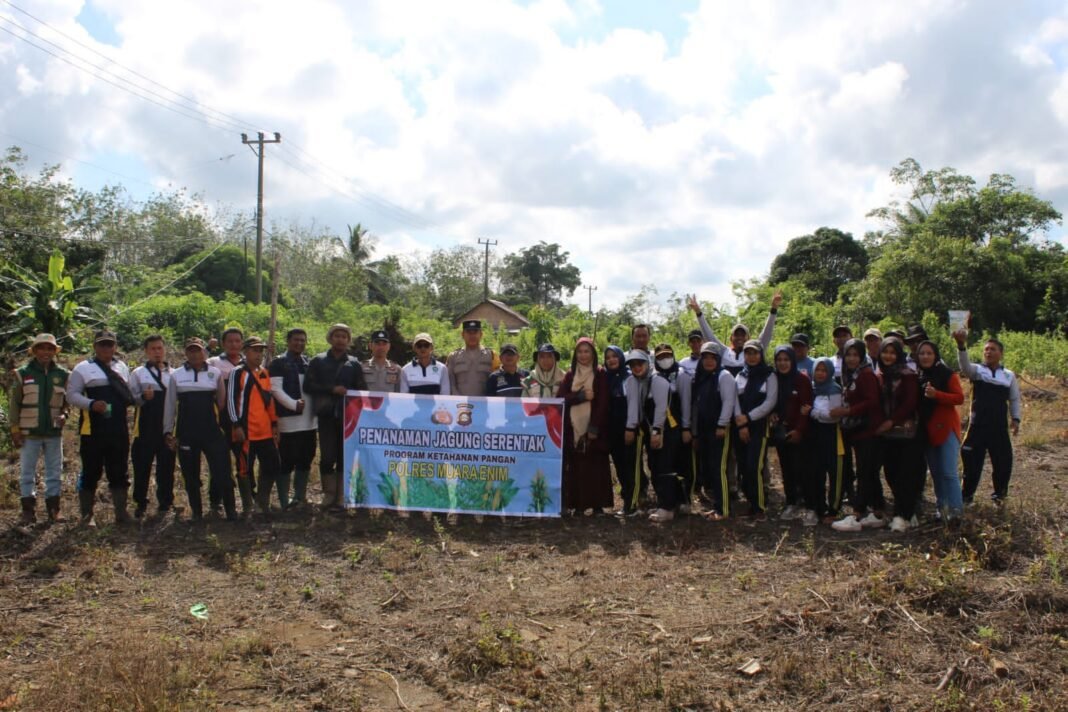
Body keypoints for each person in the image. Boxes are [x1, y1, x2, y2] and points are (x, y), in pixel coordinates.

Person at [66, 329, 135, 527]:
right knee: (91, 470)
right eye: (102, 344)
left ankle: (121, 513)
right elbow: (71, 395)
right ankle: (87, 515)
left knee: (119, 469)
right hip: (92, 429)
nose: (106, 348)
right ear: (95, 347)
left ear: (115, 347)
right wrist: (91, 404)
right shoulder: (83, 368)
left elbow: (127, 393)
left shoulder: (121, 366)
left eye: (110, 344)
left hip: (118, 427)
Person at [163, 338, 236, 521]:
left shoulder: (215, 373)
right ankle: (197, 513)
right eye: (191, 351)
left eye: (198, 350)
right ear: (186, 353)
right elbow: (170, 405)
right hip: (186, 432)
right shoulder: (176, 375)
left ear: (205, 352)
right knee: (190, 474)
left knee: (222, 471)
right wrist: (168, 431)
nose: (195, 354)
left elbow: (221, 402)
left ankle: (230, 510)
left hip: (212, 431)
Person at [953, 329, 1021, 504]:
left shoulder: (1008, 375)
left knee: (1003, 464)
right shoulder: (977, 370)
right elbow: (964, 367)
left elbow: (1014, 398)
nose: (988, 352)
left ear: (1001, 353)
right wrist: (961, 345)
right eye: (986, 349)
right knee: (972, 465)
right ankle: (966, 497)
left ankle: (1000, 497)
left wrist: (1016, 418)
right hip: (977, 427)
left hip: (999, 428)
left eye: (993, 349)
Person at [9, 333, 69, 525]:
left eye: (50, 348)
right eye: (42, 348)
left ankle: (54, 509)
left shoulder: (62, 375)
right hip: (29, 432)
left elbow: (66, 404)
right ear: (34, 351)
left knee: (54, 471)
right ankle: (28, 511)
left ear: (54, 352)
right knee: (27, 472)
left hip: (53, 432)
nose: (46, 352)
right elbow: (14, 404)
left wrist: (65, 415)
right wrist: (15, 430)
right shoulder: (23, 373)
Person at [830, 339, 886, 532]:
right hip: (857, 428)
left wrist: (847, 412)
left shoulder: (865, 374)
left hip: (868, 429)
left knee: (865, 470)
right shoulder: (850, 374)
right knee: (868, 471)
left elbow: (872, 401)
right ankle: (878, 511)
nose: (852, 358)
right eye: (849, 354)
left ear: (862, 356)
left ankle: (857, 513)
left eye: (856, 355)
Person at [679, 342, 736, 520]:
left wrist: (722, 424)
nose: (709, 361)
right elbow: (696, 406)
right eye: (706, 357)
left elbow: (729, 402)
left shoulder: (724, 376)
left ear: (719, 359)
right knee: (710, 469)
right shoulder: (701, 377)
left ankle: (723, 510)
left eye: (713, 358)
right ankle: (717, 505)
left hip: (718, 428)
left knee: (719, 469)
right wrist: (695, 431)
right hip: (704, 429)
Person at [305, 324, 359, 509]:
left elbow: (363, 391)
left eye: (344, 336)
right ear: (330, 338)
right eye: (337, 335)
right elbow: (308, 386)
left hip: (348, 419)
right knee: (327, 456)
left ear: (348, 340)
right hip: (326, 415)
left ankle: (342, 496)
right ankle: (328, 494)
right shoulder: (318, 361)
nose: (340, 339)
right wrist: (331, 389)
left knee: (345, 456)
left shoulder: (354, 364)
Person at [874, 337, 924, 532]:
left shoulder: (907, 375)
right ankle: (905, 511)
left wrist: (891, 421)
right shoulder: (879, 374)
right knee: (890, 472)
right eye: (885, 352)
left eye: (893, 352)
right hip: (886, 434)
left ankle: (903, 514)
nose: (888, 356)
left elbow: (910, 403)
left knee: (906, 474)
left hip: (905, 432)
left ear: (899, 355)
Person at [624, 350, 681, 522]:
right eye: (632, 365)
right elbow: (634, 407)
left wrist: (657, 432)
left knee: (664, 466)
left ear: (647, 364)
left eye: (639, 364)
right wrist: (630, 428)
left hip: (665, 430)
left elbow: (661, 408)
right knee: (654, 465)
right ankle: (663, 502)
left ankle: (668, 507)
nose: (636, 367)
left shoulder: (658, 381)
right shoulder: (634, 381)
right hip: (649, 430)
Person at [557, 337, 612, 514]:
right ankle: (579, 505)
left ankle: (597, 506)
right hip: (574, 429)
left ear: (593, 353)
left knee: (596, 467)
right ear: (575, 355)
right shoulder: (570, 375)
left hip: (594, 429)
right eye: (580, 352)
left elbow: (603, 401)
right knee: (577, 468)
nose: (583, 355)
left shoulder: (600, 373)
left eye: (587, 351)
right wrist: (579, 397)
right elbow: (560, 399)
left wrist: (594, 426)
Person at [228, 337, 281, 518]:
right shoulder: (238, 372)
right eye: (255, 350)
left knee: (272, 464)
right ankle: (247, 505)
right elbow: (231, 401)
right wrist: (236, 424)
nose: (258, 354)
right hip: (246, 431)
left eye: (261, 351)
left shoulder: (264, 373)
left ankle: (262, 501)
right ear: (245, 351)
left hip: (265, 431)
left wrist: (274, 424)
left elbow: (270, 402)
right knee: (244, 468)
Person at [915, 340, 965, 521]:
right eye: (922, 353)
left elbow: (959, 398)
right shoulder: (918, 375)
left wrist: (937, 395)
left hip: (946, 428)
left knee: (949, 472)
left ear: (935, 355)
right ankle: (942, 510)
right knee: (936, 472)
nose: (925, 357)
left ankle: (956, 512)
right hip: (927, 430)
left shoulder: (946, 374)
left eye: (929, 353)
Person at [269, 328, 317, 509]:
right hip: (288, 421)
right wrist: (293, 404)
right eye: (296, 340)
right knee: (286, 461)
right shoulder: (278, 363)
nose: (300, 343)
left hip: (310, 422)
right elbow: (275, 389)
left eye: (303, 340)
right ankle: (283, 500)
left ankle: (299, 497)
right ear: (288, 341)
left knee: (306, 459)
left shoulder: (308, 363)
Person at [129, 335, 176, 519]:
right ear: (146, 352)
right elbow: (130, 399)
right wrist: (142, 397)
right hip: (145, 427)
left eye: (160, 348)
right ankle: (140, 502)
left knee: (167, 466)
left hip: (167, 427)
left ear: (165, 350)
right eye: (153, 349)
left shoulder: (174, 373)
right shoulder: (138, 373)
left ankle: (165, 502)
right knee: (141, 466)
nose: (157, 352)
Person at [732, 340, 777, 520]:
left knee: (754, 466)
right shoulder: (740, 375)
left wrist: (749, 417)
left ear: (761, 354)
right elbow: (734, 399)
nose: (751, 357)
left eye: (755, 353)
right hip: (740, 426)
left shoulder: (769, 375)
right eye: (748, 353)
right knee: (743, 466)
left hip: (759, 427)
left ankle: (759, 508)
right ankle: (751, 503)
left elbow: (770, 402)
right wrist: (741, 423)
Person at [687, 292, 781, 376]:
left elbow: (766, 334)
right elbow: (709, 335)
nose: (739, 338)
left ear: (748, 338)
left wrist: (774, 310)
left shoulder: (755, 352)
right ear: (731, 338)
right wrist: (698, 313)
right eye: (736, 335)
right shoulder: (723, 351)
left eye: (742, 335)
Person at [770, 346, 813, 522]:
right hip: (781, 431)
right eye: (779, 359)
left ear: (792, 361)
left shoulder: (801, 379)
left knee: (802, 468)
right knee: (786, 468)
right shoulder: (774, 378)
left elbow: (807, 405)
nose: (782, 363)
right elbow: (771, 400)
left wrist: (800, 430)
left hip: (799, 432)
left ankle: (809, 504)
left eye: (786, 359)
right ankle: (791, 502)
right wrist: (772, 413)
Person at [207, 327, 244, 514]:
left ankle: (247, 497)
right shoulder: (213, 362)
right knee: (219, 461)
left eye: (237, 341)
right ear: (223, 343)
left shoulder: (247, 363)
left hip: (242, 421)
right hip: (220, 420)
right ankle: (216, 500)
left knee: (243, 459)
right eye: (230, 341)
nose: (234, 344)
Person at [808, 358, 845, 523]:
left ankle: (834, 509)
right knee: (817, 472)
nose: (820, 374)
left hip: (832, 435)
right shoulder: (813, 388)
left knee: (835, 472)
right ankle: (819, 507)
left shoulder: (834, 389)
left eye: (824, 370)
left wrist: (813, 413)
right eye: (818, 370)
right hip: (816, 436)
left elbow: (833, 417)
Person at [603, 345, 631, 506]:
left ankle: (636, 495)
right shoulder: (604, 378)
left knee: (631, 463)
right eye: (608, 358)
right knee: (619, 463)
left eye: (614, 356)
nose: (611, 360)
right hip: (611, 428)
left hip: (627, 426)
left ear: (621, 357)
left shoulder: (629, 377)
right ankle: (627, 497)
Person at [447, 320, 499, 396]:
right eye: (468, 332)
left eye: (475, 332)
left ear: (481, 334)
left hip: (484, 404)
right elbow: (451, 384)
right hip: (460, 405)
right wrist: (459, 400)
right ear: (462, 334)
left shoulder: (492, 355)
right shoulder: (453, 356)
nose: (472, 336)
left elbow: (497, 382)